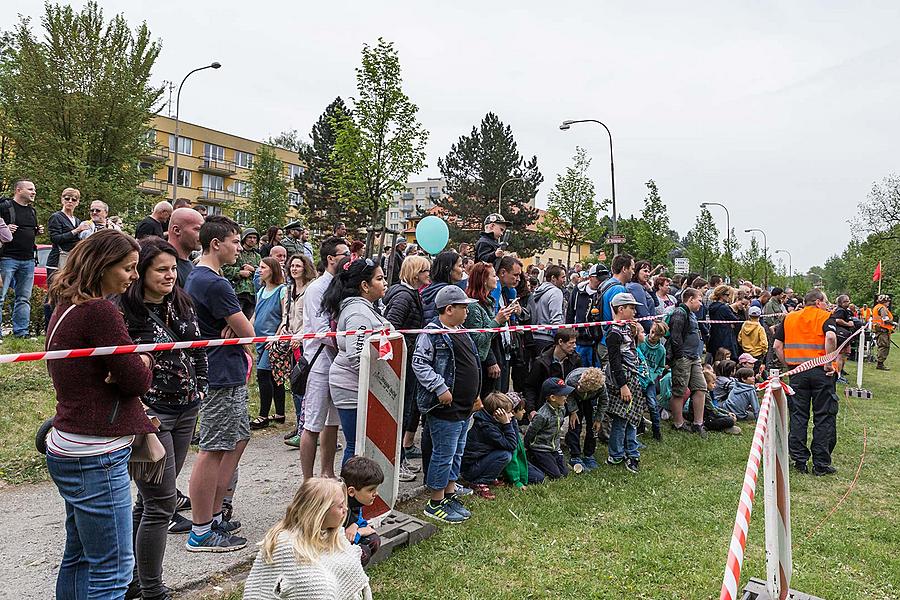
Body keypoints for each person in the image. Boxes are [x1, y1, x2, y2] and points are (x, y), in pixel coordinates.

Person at [44, 229, 154, 599]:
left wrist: (126, 362)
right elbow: (136, 379)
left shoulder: (67, 305)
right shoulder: (100, 311)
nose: (134, 276)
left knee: (79, 557)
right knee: (113, 569)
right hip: (97, 452)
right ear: (101, 266)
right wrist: (144, 357)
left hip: (70, 443)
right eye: (128, 268)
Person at [119, 237, 208, 600]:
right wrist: (140, 409)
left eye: (173, 268)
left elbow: (200, 348)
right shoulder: (124, 312)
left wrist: (200, 389)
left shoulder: (183, 304)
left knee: (149, 502)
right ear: (142, 272)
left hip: (186, 410)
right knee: (161, 503)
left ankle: (133, 582)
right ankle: (152, 590)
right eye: (162, 269)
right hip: (150, 416)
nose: (171, 275)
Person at [183, 215, 255, 551]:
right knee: (212, 449)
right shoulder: (215, 283)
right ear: (217, 244)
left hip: (223, 370)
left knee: (236, 439)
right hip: (220, 374)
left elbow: (239, 331)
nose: (239, 248)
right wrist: (238, 328)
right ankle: (201, 530)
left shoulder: (199, 277)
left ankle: (212, 515)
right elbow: (250, 334)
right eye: (235, 242)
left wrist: (235, 328)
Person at [413, 285, 481, 524]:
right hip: (445, 408)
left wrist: (476, 394)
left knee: (457, 451)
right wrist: (440, 387)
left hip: (464, 406)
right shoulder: (432, 334)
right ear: (449, 309)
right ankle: (435, 501)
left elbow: (471, 364)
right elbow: (419, 363)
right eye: (464, 308)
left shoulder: (461, 330)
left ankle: (450, 491)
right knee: (444, 453)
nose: (467, 313)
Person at [242, 478, 372, 600]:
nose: (346, 509)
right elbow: (315, 589)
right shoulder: (286, 544)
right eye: (340, 505)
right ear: (320, 511)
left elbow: (346, 566)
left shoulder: (333, 535)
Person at [325, 258, 391, 466]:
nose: (385, 283)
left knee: (359, 444)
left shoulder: (363, 308)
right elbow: (356, 355)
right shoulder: (357, 312)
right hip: (352, 386)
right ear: (365, 285)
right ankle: (351, 494)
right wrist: (377, 383)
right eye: (379, 279)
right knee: (356, 445)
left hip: (355, 384)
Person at [773, 289, 839, 476]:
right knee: (824, 416)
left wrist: (789, 366)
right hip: (821, 372)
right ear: (818, 302)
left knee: (798, 416)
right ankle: (821, 463)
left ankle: (799, 461)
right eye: (825, 301)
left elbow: (777, 345)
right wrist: (827, 362)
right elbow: (831, 337)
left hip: (798, 372)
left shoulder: (789, 318)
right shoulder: (825, 316)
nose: (827, 305)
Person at [300, 236, 350, 481]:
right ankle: (307, 479)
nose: (349, 259)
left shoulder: (342, 286)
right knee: (313, 422)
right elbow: (320, 330)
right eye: (344, 255)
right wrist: (346, 342)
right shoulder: (317, 288)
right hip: (319, 362)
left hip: (339, 362)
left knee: (332, 422)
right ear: (331, 259)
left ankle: (327, 472)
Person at [382, 255, 431, 478]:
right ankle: (395, 464)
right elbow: (391, 327)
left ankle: (399, 459)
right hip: (403, 360)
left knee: (406, 410)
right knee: (400, 411)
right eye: (424, 271)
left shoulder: (411, 294)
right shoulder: (403, 296)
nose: (428, 275)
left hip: (407, 358)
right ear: (414, 273)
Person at [604, 293, 647, 473]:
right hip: (623, 381)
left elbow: (632, 350)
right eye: (631, 307)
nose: (635, 311)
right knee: (621, 419)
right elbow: (614, 362)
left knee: (633, 418)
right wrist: (623, 385)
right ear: (621, 309)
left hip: (633, 378)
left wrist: (637, 334)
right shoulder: (613, 333)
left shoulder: (628, 328)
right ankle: (616, 454)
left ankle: (632, 453)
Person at [463, 262, 516, 399]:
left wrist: (501, 320)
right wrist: (497, 321)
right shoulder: (474, 307)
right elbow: (477, 339)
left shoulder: (488, 302)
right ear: (484, 280)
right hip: (477, 363)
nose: (497, 279)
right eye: (493, 275)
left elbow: (490, 336)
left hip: (484, 360)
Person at [281, 254, 318, 447]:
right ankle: (299, 423)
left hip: (306, 343)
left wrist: (300, 336)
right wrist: (284, 330)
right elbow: (286, 315)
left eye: (298, 266)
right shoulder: (288, 289)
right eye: (292, 266)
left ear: (305, 268)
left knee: (305, 385)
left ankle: (308, 428)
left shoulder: (311, 289)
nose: (294, 269)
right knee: (295, 384)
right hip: (290, 340)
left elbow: (311, 318)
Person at [1, 179, 43, 340]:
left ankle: (22, 332)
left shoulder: (32, 211)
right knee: (0, 297)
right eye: (30, 189)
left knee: (24, 298)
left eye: (34, 189)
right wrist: (5, 228)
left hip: (28, 260)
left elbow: (28, 231)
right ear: (18, 190)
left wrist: (36, 231)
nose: (34, 192)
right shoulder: (5, 207)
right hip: (7, 258)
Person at [251, 257, 288, 429]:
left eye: (263, 267)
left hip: (272, 340)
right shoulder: (260, 292)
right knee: (274, 377)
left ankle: (263, 415)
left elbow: (284, 317)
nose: (260, 270)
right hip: (260, 340)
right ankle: (280, 413)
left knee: (263, 374)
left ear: (272, 270)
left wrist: (276, 337)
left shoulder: (282, 290)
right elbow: (255, 316)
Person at [460, 392, 519, 499]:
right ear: (497, 414)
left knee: (505, 452)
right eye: (509, 412)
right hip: (469, 470)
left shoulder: (493, 422)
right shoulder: (487, 427)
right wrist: (507, 424)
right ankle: (479, 482)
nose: (512, 415)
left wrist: (511, 421)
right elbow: (512, 445)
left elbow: (515, 441)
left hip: (480, 462)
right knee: (505, 455)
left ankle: (490, 477)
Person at [668, 288, 708, 437]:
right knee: (679, 390)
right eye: (699, 300)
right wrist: (679, 356)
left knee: (701, 387)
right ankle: (678, 423)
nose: (701, 304)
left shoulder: (692, 314)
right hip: (683, 357)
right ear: (690, 299)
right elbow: (675, 336)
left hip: (694, 356)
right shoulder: (680, 312)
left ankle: (698, 423)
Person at [524, 328, 581, 417]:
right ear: (560, 341)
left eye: (575, 342)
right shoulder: (541, 363)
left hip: (569, 405)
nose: (575, 346)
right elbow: (530, 387)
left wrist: (573, 410)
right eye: (571, 343)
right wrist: (531, 410)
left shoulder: (575, 359)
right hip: (546, 407)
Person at [524, 377, 573, 480]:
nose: (566, 397)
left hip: (554, 448)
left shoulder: (562, 409)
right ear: (552, 398)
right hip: (541, 449)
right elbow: (531, 431)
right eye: (563, 395)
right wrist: (528, 445)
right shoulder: (542, 415)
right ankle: (533, 459)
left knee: (564, 473)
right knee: (555, 475)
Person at [340, 457, 384, 567]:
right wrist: (360, 532)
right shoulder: (339, 509)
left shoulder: (354, 501)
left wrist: (356, 525)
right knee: (363, 553)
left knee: (373, 540)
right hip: (327, 549)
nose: (376, 493)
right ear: (351, 491)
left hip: (341, 541)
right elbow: (336, 542)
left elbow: (358, 518)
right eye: (370, 490)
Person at [563, 366, 607, 470]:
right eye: (580, 385)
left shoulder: (601, 387)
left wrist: (598, 419)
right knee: (575, 424)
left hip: (591, 399)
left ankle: (589, 454)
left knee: (593, 427)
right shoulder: (572, 380)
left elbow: (604, 401)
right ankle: (575, 455)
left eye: (582, 388)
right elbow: (568, 395)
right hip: (574, 397)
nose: (579, 388)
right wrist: (573, 411)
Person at [566, 262, 607, 367]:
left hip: (597, 341)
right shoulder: (578, 291)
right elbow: (570, 313)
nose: (601, 282)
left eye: (604, 279)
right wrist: (569, 334)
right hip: (580, 340)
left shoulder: (603, 293)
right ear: (590, 277)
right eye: (598, 279)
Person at [500, 393, 544, 488]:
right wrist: (517, 482)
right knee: (538, 478)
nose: (524, 411)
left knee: (540, 476)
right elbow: (513, 453)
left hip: (519, 458)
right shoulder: (507, 428)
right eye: (521, 409)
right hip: (512, 462)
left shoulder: (513, 423)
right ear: (512, 411)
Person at [46, 187, 90, 277]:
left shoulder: (77, 221)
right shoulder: (56, 217)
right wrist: (76, 230)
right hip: (57, 261)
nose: (70, 201)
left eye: (73, 199)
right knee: (56, 289)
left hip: (71, 261)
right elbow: (55, 238)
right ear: (62, 200)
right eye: (67, 198)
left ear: (77, 203)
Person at [637, 320, 668, 441]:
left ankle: (656, 430)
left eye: (657, 335)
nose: (653, 336)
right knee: (637, 404)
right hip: (638, 378)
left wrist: (654, 375)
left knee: (653, 405)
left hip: (650, 380)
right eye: (652, 332)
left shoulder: (661, 350)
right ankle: (640, 426)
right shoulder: (641, 342)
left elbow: (661, 366)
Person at [223, 227, 262, 317]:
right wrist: (239, 272)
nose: (252, 240)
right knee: (234, 319)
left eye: (254, 238)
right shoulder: (235, 252)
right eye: (250, 237)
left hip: (253, 293)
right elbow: (224, 269)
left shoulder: (258, 256)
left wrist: (253, 270)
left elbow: (263, 272)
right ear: (244, 238)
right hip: (237, 292)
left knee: (249, 321)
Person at [530, 264, 566, 355]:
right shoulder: (556, 292)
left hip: (535, 337)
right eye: (563, 277)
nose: (565, 280)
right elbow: (556, 320)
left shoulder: (539, 290)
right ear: (553, 278)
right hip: (548, 339)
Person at [598, 254, 635, 343]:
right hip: (613, 341)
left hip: (603, 338)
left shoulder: (605, 284)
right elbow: (618, 318)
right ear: (624, 269)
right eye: (632, 269)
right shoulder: (618, 289)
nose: (633, 272)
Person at [166, 207, 205, 287]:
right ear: (177, 230)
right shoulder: (165, 267)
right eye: (197, 229)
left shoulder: (191, 265)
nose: (202, 235)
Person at [420, 250, 463, 323]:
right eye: (460, 266)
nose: (463, 270)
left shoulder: (431, 289)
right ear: (448, 268)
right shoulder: (447, 293)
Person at [707, 285, 741, 361]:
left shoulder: (712, 307)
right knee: (728, 360)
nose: (729, 297)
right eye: (727, 295)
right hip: (726, 337)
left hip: (715, 336)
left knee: (717, 358)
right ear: (721, 295)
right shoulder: (724, 308)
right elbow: (736, 320)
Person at [832, 294, 858, 380]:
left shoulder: (846, 310)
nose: (848, 302)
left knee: (844, 355)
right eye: (845, 301)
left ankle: (841, 372)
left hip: (846, 335)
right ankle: (838, 375)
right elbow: (837, 320)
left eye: (848, 300)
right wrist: (847, 324)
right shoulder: (840, 310)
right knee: (839, 355)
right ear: (840, 303)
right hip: (841, 335)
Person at [626, 260, 657, 333]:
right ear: (637, 271)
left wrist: (650, 290)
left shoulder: (641, 287)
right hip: (644, 330)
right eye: (645, 271)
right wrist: (654, 331)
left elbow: (656, 303)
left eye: (649, 272)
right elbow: (643, 313)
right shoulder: (636, 287)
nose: (648, 274)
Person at [872, 294, 895, 371]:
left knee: (882, 346)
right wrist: (893, 323)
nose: (889, 302)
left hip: (880, 329)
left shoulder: (877, 307)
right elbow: (885, 319)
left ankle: (880, 363)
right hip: (882, 330)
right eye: (887, 301)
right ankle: (880, 364)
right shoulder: (882, 308)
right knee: (884, 346)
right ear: (884, 301)